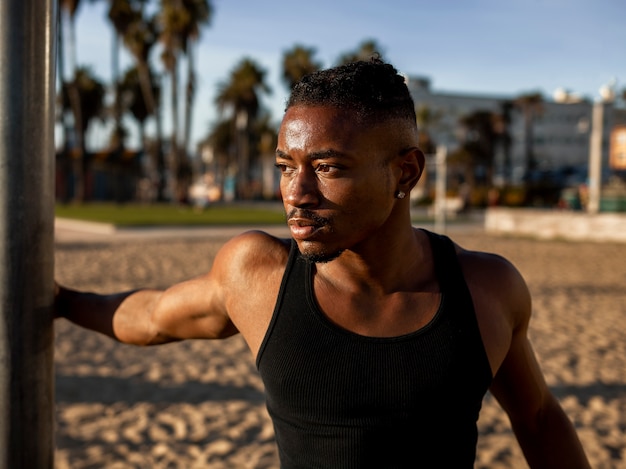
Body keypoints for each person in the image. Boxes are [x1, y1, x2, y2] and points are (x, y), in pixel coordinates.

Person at [56, 58, 590, 468]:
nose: (295, 193)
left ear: (405, 173)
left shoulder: (486, 287)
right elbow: (150, 317)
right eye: (286, 166)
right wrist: (60, 301)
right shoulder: (257, 274)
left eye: (328, 167)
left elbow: (538, 417)